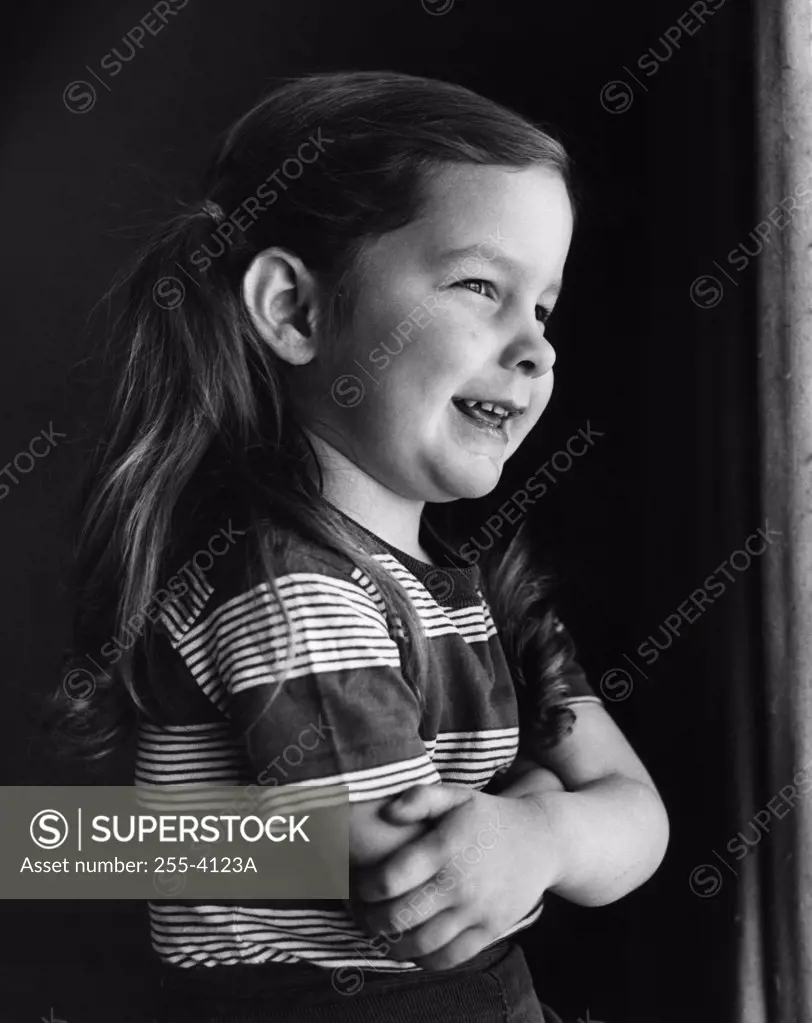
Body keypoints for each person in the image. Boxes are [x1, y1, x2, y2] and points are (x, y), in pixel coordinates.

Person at [50, 70, 669, 1023]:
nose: (538, 349)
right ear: (295, 311)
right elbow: (413, 887)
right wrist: (535, 815)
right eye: (477, 285)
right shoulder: (279, 582)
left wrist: (537, 832)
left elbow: (642, 820)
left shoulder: (488, 595)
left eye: (543, 307)